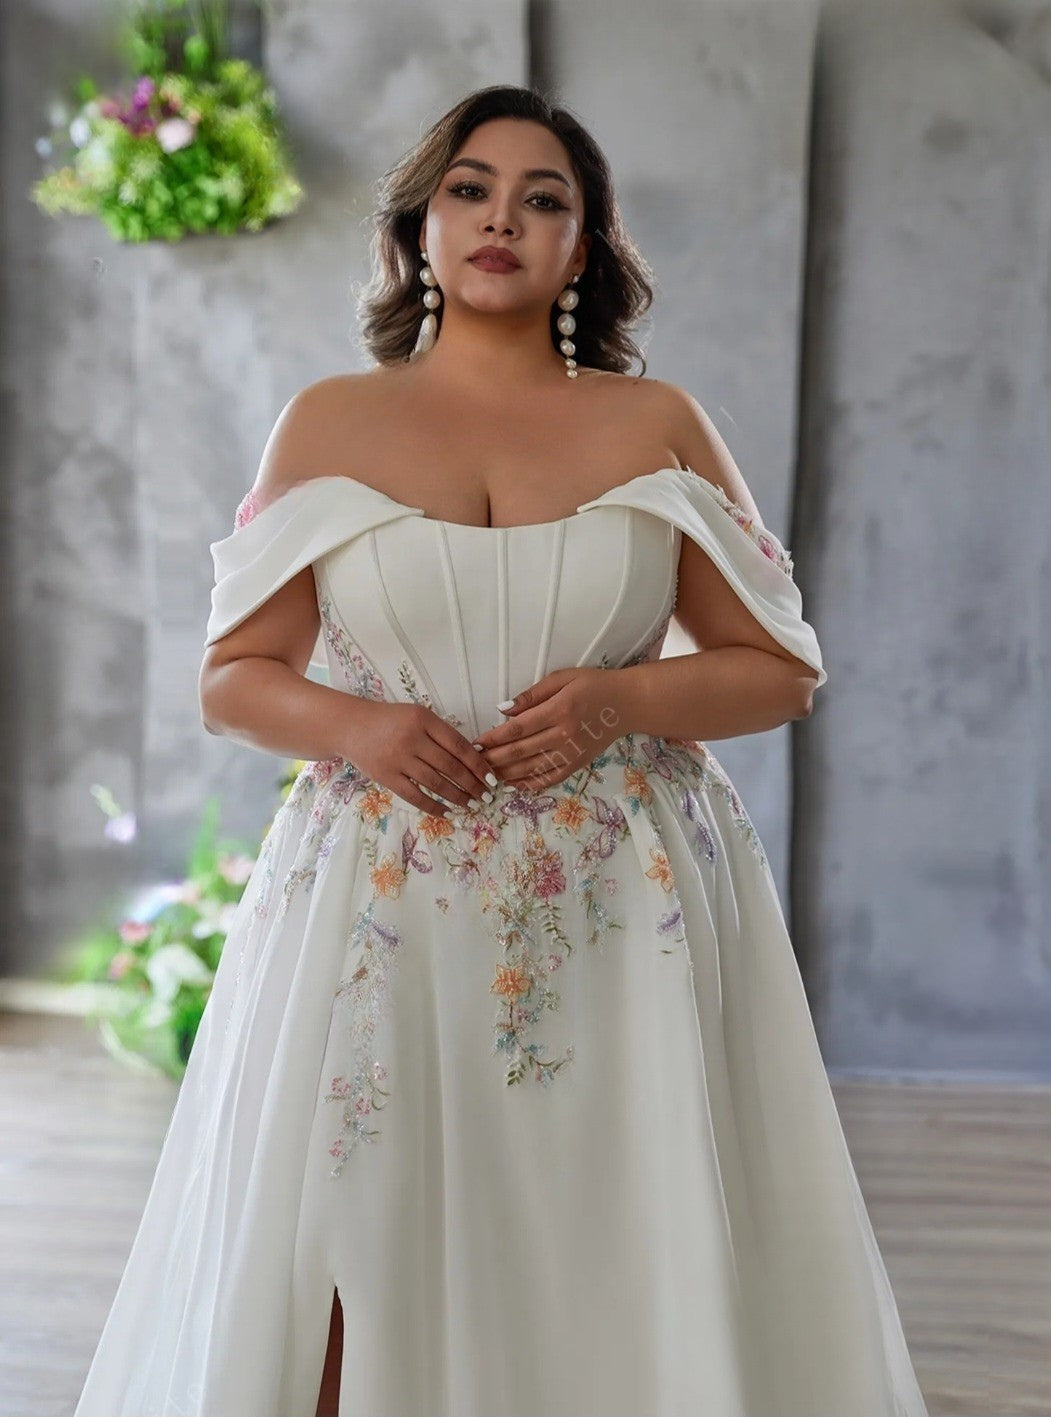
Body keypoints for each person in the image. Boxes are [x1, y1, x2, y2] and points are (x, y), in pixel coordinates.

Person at [73, 83, 929, 1417]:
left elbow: (782, 669)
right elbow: (231, 680)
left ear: (581, 250)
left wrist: (617, 702)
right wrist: (358, 722)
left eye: (545, 201)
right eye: (470, 190)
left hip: (614, 902)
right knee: (347, 1228)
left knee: (607, 1234)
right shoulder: (327, 422)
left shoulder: (657, 427)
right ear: (418, 229)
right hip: (377, 898)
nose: (502, 220)